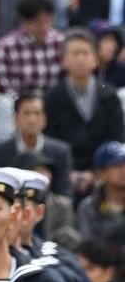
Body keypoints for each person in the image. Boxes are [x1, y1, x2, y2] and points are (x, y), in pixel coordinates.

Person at [45, 28, 125, 174]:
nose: (81, 59)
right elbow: (50, 141)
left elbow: (115, 138)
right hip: (63, 173)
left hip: (104, 172)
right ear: (63, 60)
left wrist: (96, 173)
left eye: (86, 53)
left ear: (95, 59)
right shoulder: (51, 98)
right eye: (75, 54)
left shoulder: (109, 95)